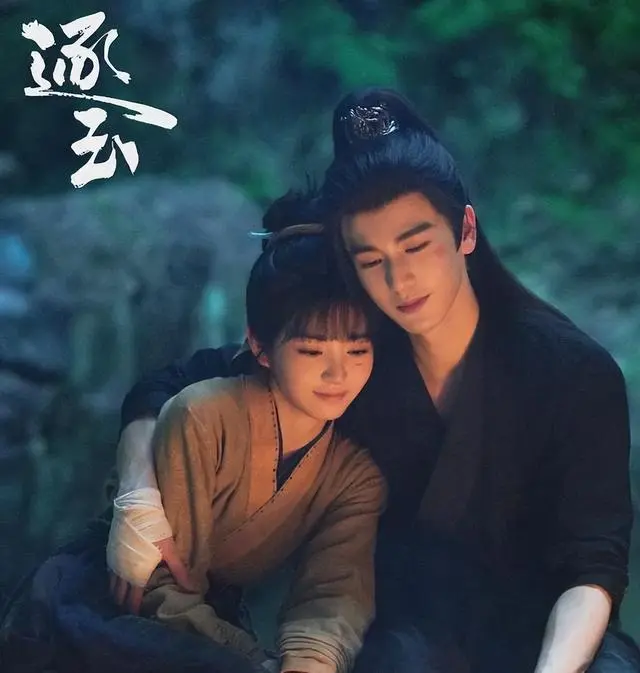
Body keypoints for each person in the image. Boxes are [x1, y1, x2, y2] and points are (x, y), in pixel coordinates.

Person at [110, 88, 639, 673]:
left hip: (555, 638)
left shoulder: (572, 370)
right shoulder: (356, 355)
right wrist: (138, 494)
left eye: (417, 245)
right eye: (371, 260)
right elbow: (174, 382)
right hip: (408, 639)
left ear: (465, 230)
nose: (400, 279)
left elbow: (594, 568)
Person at [0, 189, 387, 673]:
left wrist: (311, 660)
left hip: (211, 624)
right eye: (311, 351)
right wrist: (250, 657)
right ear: (259, 346)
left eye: (358, 351)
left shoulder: (356, 472)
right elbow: (161, 581)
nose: (338, 373)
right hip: (110, 610)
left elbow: (335, 593)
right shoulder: (204, 413)